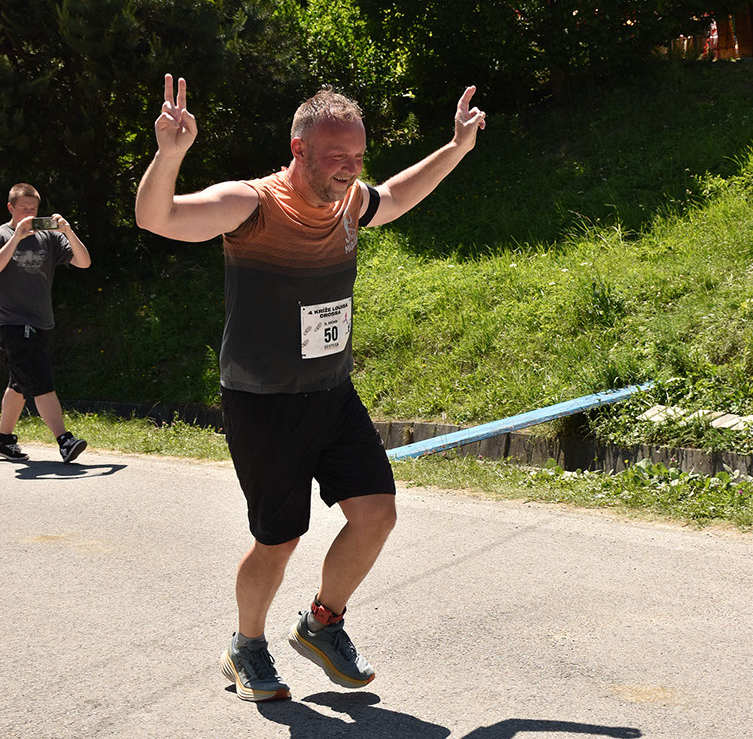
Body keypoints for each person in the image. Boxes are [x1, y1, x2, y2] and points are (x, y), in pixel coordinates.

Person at [135, 74, 486, 702]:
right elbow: (156, 217)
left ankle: (322, 624)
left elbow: (395, 196)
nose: (351, 168)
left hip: (331, 392)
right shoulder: (250, 204)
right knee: (278, 541)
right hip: (262, 401)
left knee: (377, 514)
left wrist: (456, 147)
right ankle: (245, 647)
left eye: (358, 156)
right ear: (299, 149)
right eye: (336, 156)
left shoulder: (349, 202)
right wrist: (170, 154)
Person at [0, 183, 91, 463]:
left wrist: (68, 232)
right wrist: (17, 237)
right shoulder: (3, 234)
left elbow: (84, 262)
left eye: (34, 209)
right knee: (40, 379)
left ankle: (3, 439)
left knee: (19, 384)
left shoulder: (49, 238)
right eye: (23, 208)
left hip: (42, 322)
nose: (29, 214)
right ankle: (64, 439)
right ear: (10, 207)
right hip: (13, 323)